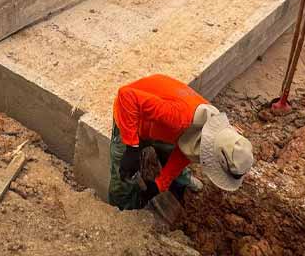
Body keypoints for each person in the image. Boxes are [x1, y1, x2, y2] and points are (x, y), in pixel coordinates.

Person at [109, 74, 254, 210]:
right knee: (123, 175)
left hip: (163, 127)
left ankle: (178, 179)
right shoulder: (179, 117)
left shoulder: (209, 132)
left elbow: (187, 152)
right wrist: (132, 146)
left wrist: (160, 184)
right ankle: (120, 210)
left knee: (170, 150)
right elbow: (126, 95)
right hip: (133, 118)